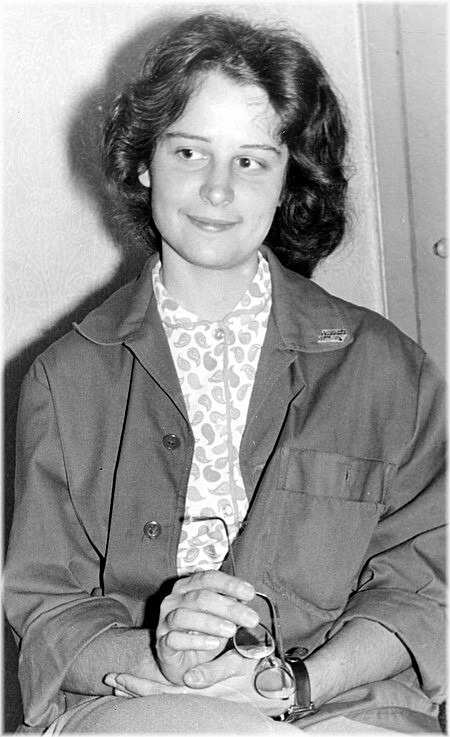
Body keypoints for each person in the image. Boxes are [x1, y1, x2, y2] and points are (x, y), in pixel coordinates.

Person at [4, 11, 445, 735]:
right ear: (144, 163)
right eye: (189, 152)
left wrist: (294, 683)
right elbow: (49, 608)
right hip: (139, 701)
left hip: (344, 702)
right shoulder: (63, 379)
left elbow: (425, 589)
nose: (217, 189)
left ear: (288, 180)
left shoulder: (391, 370)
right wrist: (159, 658)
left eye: (250, 161)